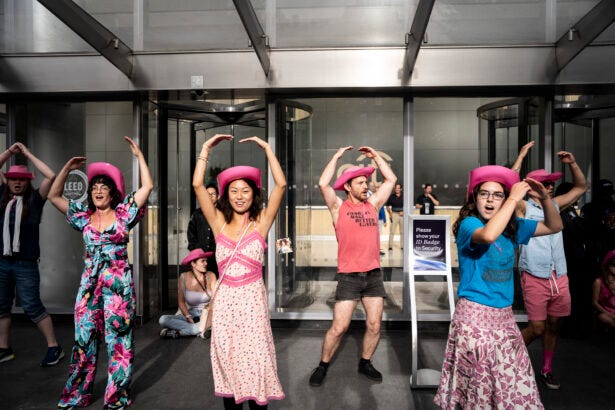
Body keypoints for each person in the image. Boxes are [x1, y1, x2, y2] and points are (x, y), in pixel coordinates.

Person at [434, 165, 562, 409]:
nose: (490, 199)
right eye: (484, 194)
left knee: (514, 386)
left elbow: (555, 226)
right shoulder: (469, 225)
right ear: (475, 198)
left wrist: (544, 198)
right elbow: (488, 236)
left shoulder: (513, 228)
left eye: (497, 194)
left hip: (504, 319)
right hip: (475, 319)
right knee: (480, 392)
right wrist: (513, 198)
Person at [48, 136, 153, 410]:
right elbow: (53, 196)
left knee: (119, 342)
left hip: (118, 285)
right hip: (89, 285)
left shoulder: (124, 213)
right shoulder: (82, 215)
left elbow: (148, 186)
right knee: (83, 340)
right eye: (94, 187)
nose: (97, 190)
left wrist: (138, 154)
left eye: (102, 187)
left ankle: (116, 396)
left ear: (112, 192)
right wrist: (67, 169)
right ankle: (78, 394)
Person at [193, 134, 285, 409]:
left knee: (257, 364)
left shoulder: (260, 223)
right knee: (229, 368)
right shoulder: (218, 222)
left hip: (253, 306)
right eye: (234, 190)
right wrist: (206, 149)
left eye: (245, 190)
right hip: (225, 308)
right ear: (225, 195)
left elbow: (280, 184)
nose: (240, 196)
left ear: (254, 193)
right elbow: (198, 184)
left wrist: (268, 148)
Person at [309, 146, 396, 387]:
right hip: (349, 276)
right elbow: (323, 184)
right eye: (359, 183)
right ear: (348, 187)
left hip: (373, 275)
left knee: (374, 324)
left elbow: (391, 179)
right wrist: (337, 157)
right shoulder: (339, 208)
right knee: (339, 327)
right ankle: (323, 365)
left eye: (365, 182)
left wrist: (377, 156)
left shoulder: (374, 205)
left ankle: (365, 362)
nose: (365, 186)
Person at [513, 150, 587, 390]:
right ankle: (506, 362)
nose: (550, 187)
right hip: (534, 274)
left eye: (551, 183)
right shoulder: (523, 207)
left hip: (559, 275)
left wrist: (573, 163)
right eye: (544, 184)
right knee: (537, 328)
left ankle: (546, 370)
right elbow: (508, 195)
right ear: (531, 186)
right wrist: (520, 160)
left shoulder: (554, 204)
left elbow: (580, 188)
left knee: (554, 325)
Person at [0, 142, 64, 366]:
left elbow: (51, 175)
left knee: (31, 305)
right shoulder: (1, 197)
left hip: (25, 263)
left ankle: (54, 347)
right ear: (7, 181)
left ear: (28, 182)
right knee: (1, 306)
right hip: (2, 262)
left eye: (22, 179)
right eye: (13, 179)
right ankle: (4, 348)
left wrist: (26, 153)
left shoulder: (35, 200)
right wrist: (9, 153)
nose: (17, 182)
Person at [159, 248, 216, 338]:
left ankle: (179, 333)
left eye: (206, 261)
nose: (206, 263)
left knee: (214, 321)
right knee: (163, 320)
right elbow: (181, 302)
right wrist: (188, 316)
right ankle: (200, 331)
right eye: (203, 261)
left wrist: (209, 312)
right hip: (192, 313)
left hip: (208, 313)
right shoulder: (184, 277)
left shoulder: (211, 275)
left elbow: (215, 299)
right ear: (193, 264)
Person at [187, 182, 219, 276]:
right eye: (207, 194)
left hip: (218, 257)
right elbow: (191, 235)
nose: (210, 196)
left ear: (218, 196)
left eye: (213, 194)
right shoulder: (197, 214)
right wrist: (197, 252)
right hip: (201, 256)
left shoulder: (223, 214)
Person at [592, 250, 615, 330]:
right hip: (604, 311)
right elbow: (594, 302)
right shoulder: (598, 282)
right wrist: (609, 314)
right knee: (604, 317)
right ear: (608, 265)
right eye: (614, 264)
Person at [386, 183, 404, 251]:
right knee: (392, 231)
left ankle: (402, 246)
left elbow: (408, 206)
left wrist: (404, 212)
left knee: (402, 232)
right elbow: (387, 206)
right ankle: (390, 246)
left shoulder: (404, 196)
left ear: (401, 189)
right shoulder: (392, 196)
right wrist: (390, 213)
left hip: (402, 215)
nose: (397, 189)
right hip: (394, 214)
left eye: (398, 188)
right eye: (396, 188)